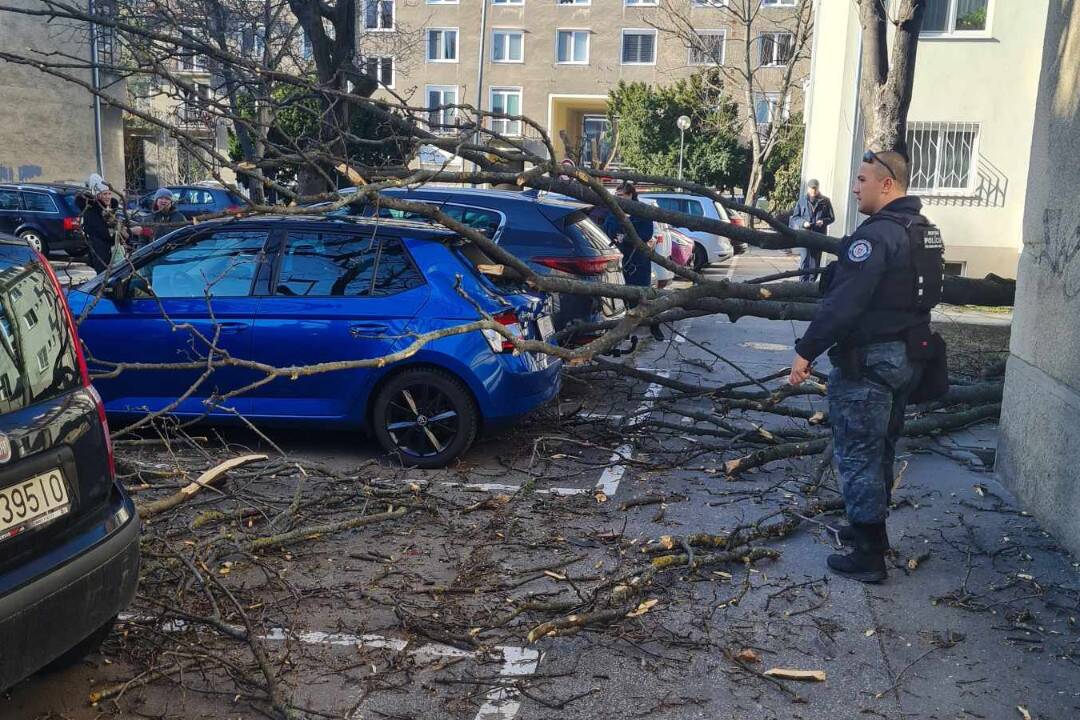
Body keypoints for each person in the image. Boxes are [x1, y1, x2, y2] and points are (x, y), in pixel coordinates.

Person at [787, 149, 944, 583]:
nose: (855, 188)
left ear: (887, 184)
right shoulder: (925, 231)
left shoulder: (874, 237)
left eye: (861, 180)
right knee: (882, 449)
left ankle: (868, 555)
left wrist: (806, 350)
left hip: (870, 362)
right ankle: (872, 532)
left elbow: (844, 303)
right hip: (907, 358)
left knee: (857, 453)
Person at [601, 182, 663, 342]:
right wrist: (618, 235)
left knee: (643, 294)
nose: (618, 198)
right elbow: (608, 228)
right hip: (619, 259)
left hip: (638, 260)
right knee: (622, 297)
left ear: (630, 195)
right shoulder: (614, 211)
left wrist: (627, 238)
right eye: (617, 195)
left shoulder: (641, 211)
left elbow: (646, 234)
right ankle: (625, 330)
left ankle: (654, 324)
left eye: (621, 195)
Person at [76, 174, 128, 272]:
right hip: (101, 255)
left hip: (114, 253)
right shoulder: (91, 213)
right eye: (104, 194)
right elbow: (105, 234)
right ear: (97, 196)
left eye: (109, 193)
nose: (108, 197)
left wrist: (125, 231)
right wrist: (122, 231)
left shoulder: (111, 210)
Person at [789, 179, 835, 282]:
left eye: (815, 189)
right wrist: (803, 223)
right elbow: (795, 217)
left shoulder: (825, 201)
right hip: (805, 234)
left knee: (815, 261)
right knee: (805, 259)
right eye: (812, 189)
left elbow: (831, 218)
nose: (813, 191)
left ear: (818, 188)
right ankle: (802, 283)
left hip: (819, 235)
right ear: (808, 189)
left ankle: (811, 283)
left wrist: (823, 221)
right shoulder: (802, 200)